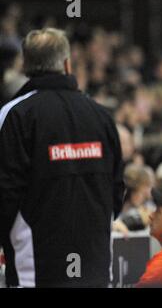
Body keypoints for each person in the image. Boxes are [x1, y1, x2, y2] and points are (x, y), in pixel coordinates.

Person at [0, 28, 124, 287]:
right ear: (67, 64)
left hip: (35, 269)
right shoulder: (101, 115)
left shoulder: (15, 115)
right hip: (96, 269)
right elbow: (117, 189)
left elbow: (6, 191)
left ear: (25, 66)